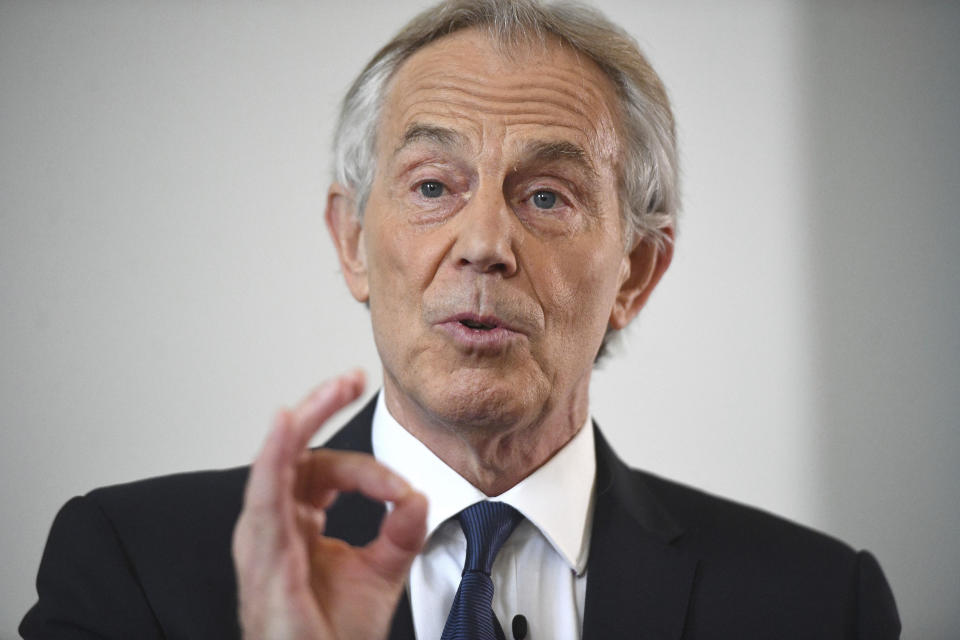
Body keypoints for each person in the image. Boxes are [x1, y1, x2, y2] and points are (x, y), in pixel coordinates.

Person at [21, 1, 900, 638]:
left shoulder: (821, 603)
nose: (484, 244)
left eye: (547, 195)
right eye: (434, 186)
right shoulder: (131, 567)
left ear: (636, 270)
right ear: (352, 241)